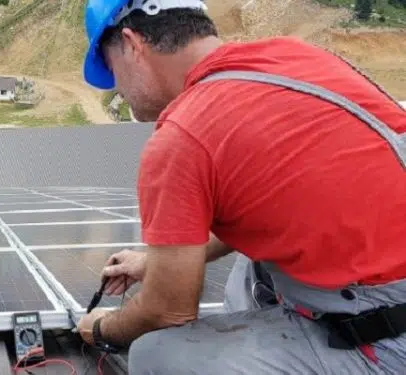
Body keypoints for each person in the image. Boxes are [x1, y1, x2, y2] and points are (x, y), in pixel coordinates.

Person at [75, 0, 406, 374]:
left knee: (156, 355)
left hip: (385, 340)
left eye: (112, 69)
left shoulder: (183, 135)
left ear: (133, 45)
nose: (118, 89)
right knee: (251, 268)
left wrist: (102, 328)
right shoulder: (295, 59)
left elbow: (166, 310)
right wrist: (156, 262)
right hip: (387, 281)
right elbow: (271, 200)